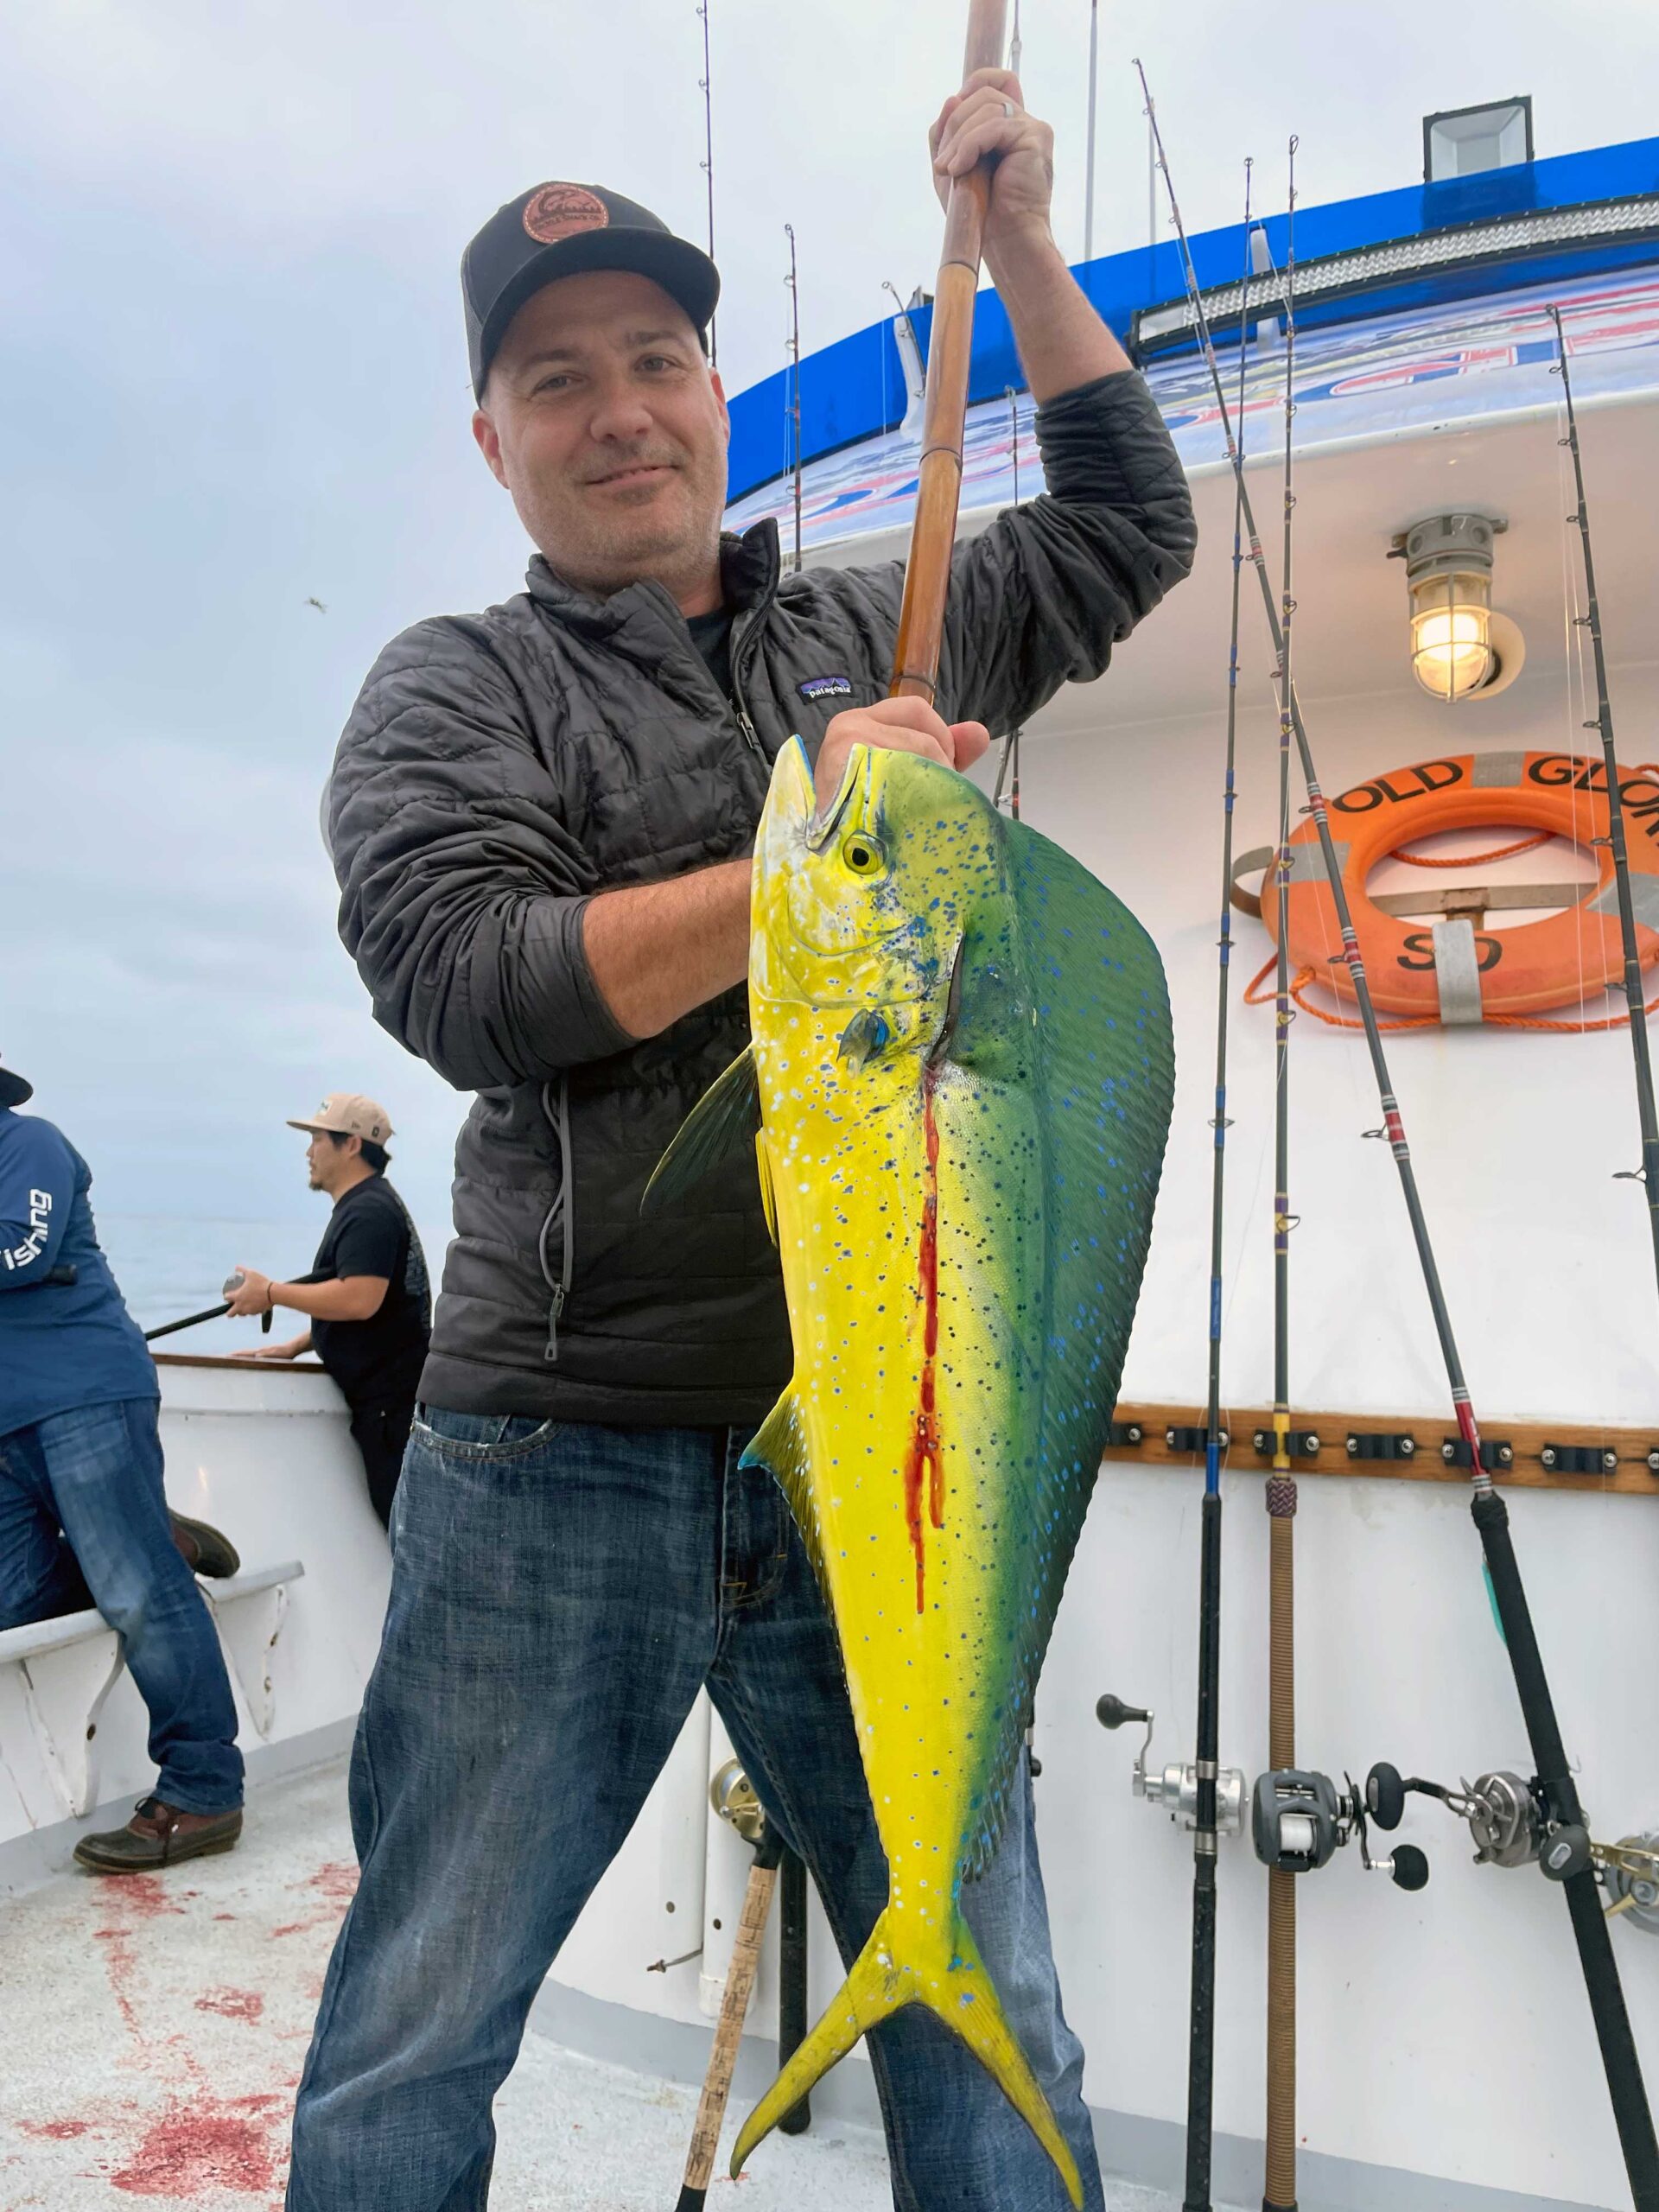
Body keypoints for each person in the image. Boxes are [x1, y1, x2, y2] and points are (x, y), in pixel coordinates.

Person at [287, 67, 1194, 2212]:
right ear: (492, 439)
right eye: (555, 379)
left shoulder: (867, 623)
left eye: (656, 362)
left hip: (891, 1446)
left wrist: (1027, 248)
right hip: (556, 1452)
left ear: (711, 391)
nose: (622, 411)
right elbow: (464, 975)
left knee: (999, 2013)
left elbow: (1130, 522)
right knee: (415, 2027)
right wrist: (823, 868)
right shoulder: (453, 685)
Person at [0, 1054, 245, 1872]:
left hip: (84, 1395)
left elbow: (26, 1249)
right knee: (15, 1602)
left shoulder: (26, 1140)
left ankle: (205, 1789)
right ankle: (152, 1538)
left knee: (140, 1594)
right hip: (7, 1430)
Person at [227, 1094, 429, 1527]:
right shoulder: (368, 1205)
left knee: (406, 1532)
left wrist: (271, 1293)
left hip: (390, 1412)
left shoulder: (369, 1211)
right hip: (389, 1408)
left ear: (352, 1144)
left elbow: (360, 1299)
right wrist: (299, 1345)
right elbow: (380, 1301)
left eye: (317, 1139)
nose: (308, 1151)